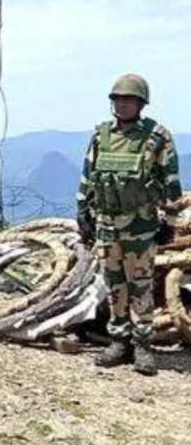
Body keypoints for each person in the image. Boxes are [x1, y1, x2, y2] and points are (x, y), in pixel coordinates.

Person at [76, 73, 182, 376]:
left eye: (129, 100)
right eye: (118, 100)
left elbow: (171, 182)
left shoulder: (156, 137)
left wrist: (170, 223)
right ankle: (119, 341)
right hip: (107, 225)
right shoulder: (100, 136)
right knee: (114, 286)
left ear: (141, 103)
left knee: (141, 286)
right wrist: (82, 212)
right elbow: (88, 176)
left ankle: (142, 345)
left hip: (141, 227)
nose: (122, 105)